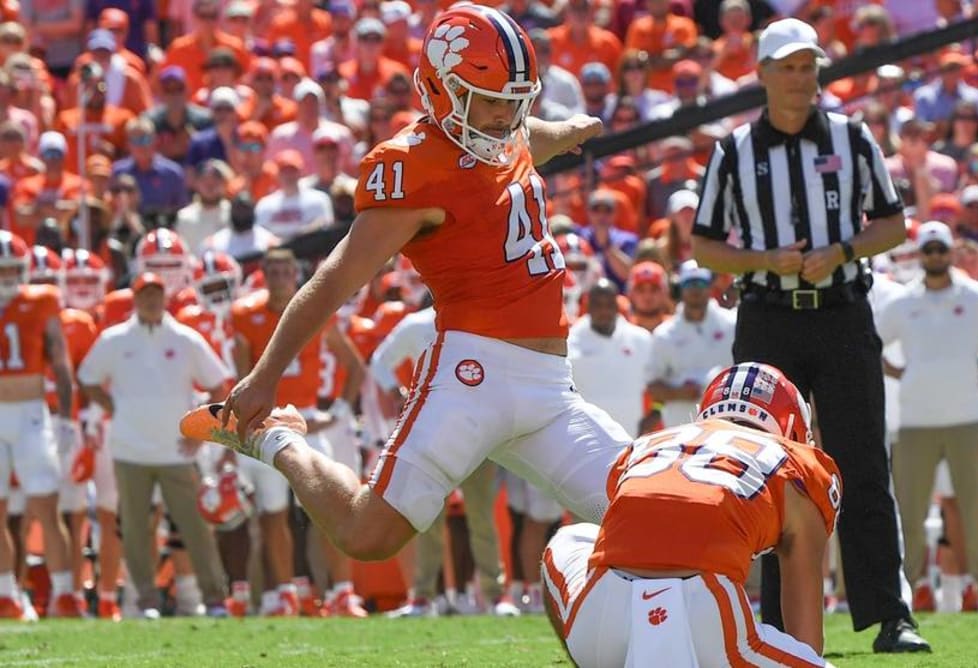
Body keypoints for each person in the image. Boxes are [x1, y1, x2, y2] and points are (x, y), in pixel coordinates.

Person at [182, 3, 619, 609]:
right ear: (440, 90)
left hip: (549, 386)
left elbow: (524, 138)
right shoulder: (411, 166)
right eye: (488, 100)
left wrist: (568, 131)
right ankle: (279, 442)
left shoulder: (501, 127)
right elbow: (334, 279)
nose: (505, 116)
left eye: (515, 101)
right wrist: (264, 376)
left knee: (642, 506)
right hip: (473, 374)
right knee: (368, 534)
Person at [690, 18, 926, 651]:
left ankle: (889, 614)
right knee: (762, 468)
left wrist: (843, 248)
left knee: (862, 463)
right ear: (763, 74)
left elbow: (893, 225)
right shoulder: (733, 150)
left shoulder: (853, 138)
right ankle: (771, 621)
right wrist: (765, 261)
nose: (800, 79)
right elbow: (704, 246)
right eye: (788, 67)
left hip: (843, 311)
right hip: (768, 317)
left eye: (808, 66)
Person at [541, 362, 840, 666]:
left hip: (600, 620)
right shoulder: (797, 464)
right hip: (706, 620)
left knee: (569, 538)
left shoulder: (648, 444)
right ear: (791, 427)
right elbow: (806, 639)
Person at [877, 221, 978, 614]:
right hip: (914, 422)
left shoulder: (977, 298)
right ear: (921, 255)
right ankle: (915, 587)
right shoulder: (905, 302)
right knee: (910, 510)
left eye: (941, 249)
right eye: (928, 250)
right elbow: (870, 343)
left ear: (950, 252)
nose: (935, 256)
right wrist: (895, 372)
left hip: (964, 418)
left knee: (974, 507)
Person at [77, 272, 231, 619]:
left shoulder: (185, 338)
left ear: (165, 297)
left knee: (195, 527)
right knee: (134, 529)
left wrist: (200, 430)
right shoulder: (114, 339)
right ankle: (146, 601)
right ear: (135, 298)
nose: (151, 300)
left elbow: (219, 384)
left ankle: (215, 598)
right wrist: (112, 407)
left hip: (175, 450)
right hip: (129, 449)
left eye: (156, 294)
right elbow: (87, 379)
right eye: (145, 294)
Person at [228, 248, 367, 617]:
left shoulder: (314, 308)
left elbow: (354, 365)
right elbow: (241, 374)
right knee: (273, 513)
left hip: (305, 417)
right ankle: (287, 592)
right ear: (263, 274)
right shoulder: (246, 314)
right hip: (267, 419)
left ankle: (342, 592)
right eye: (272, 271)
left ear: (296, 273)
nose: (278, 277)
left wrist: (336, 411)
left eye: (285, 270)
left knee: (329, 508)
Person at [0, 231, 85, 618]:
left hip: (32, 413)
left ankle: (65, 594)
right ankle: (6, 594)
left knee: (47, 507)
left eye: (12, 270)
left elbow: (61, 362)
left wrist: (65, 419)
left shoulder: (41, 300)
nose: (6, 278)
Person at [646, 262, 735, 428]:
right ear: (681, 288)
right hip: (680, 424)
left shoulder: (732, 324)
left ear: (710, 286)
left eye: (701, 283)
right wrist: (680, 393)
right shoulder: (664, 334)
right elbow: (653, 386)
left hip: (726, 422)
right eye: (689, 284)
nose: (695, 290)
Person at [567, 280, 654, 436]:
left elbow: (658, 381)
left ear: (617, 305)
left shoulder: (641, 339)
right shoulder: (570, 342)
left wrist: (655, 413)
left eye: (608, 304)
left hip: (632, 437)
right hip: (588, 439)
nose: (604, 311)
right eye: (598, 305)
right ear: (588, 307)